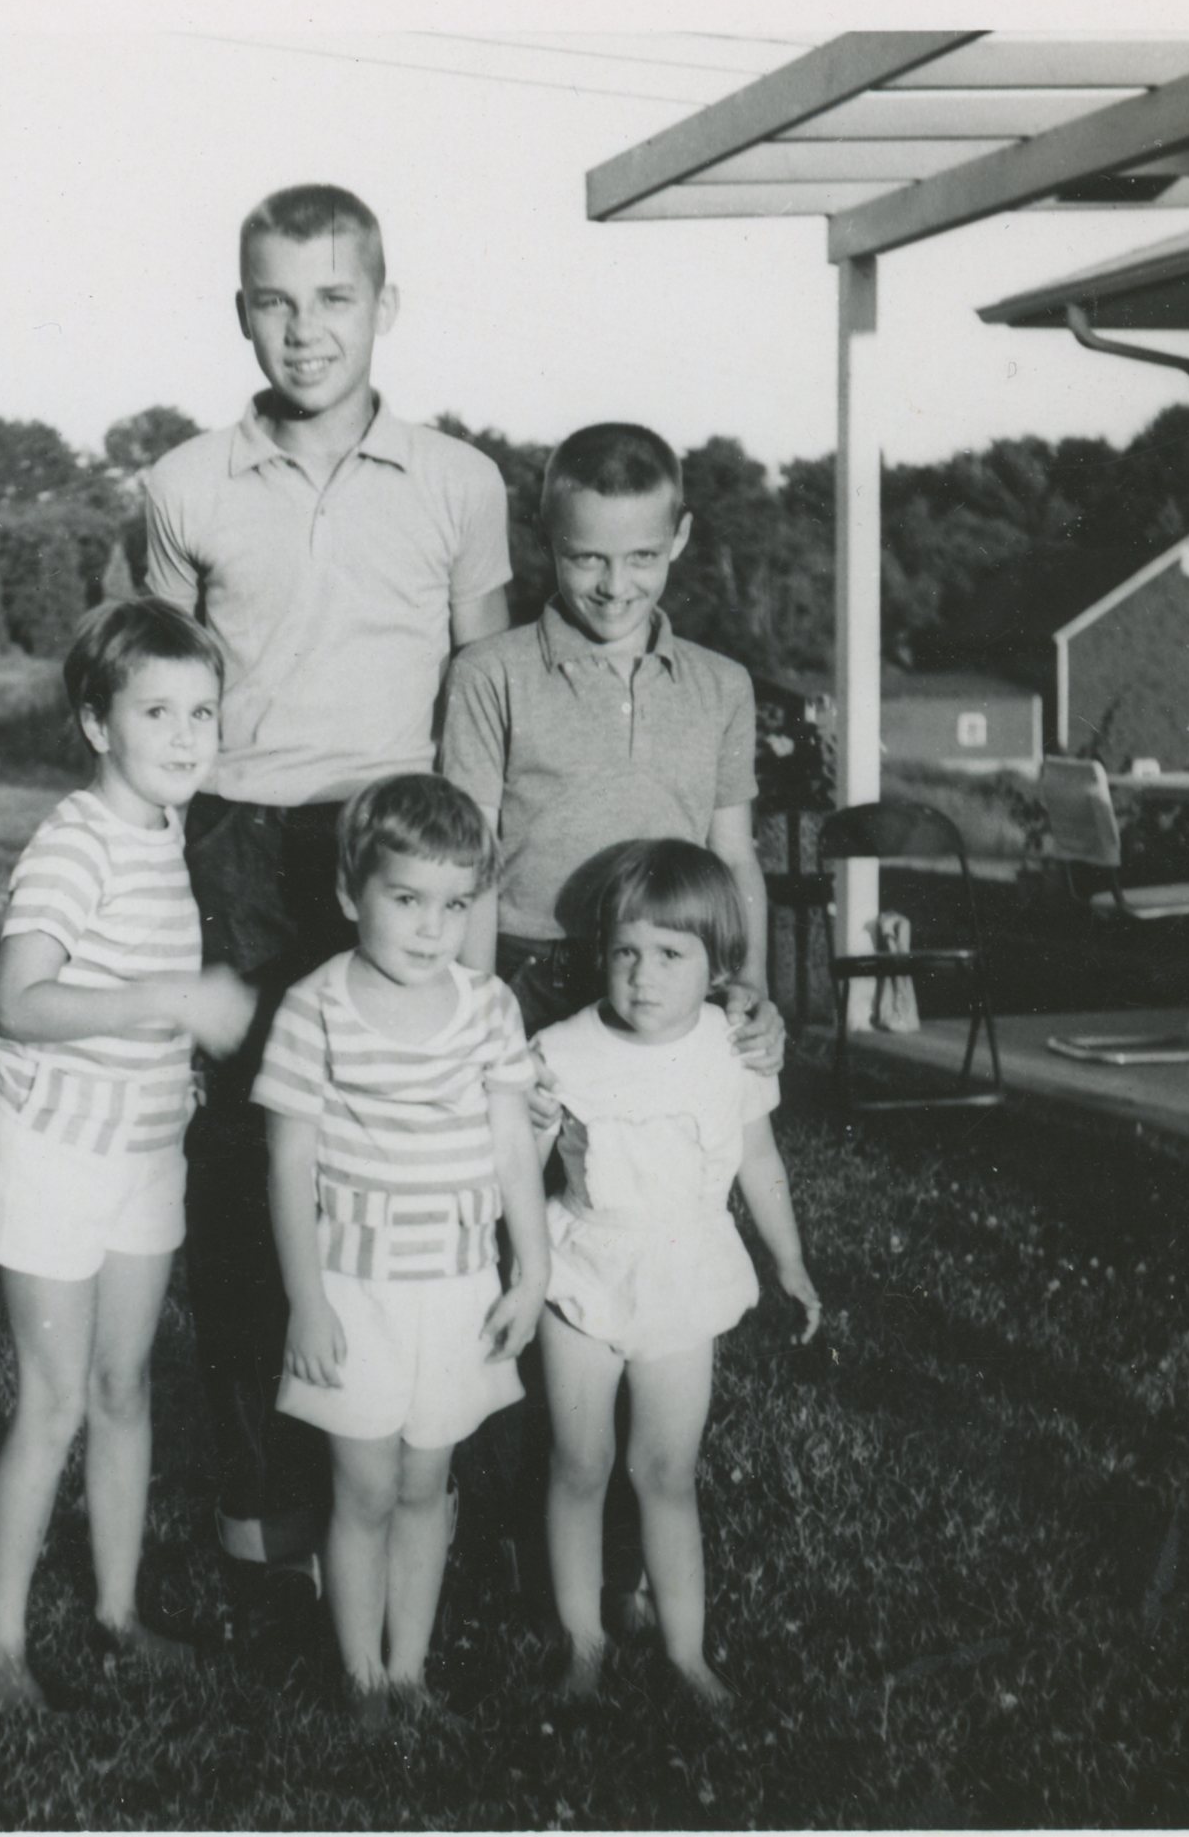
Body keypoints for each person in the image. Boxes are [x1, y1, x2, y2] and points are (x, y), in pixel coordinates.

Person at [143, 184, 513, 1573]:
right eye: (274, 301)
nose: (304, 331)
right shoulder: (181, 484)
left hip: (397, 840)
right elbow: (156, 711)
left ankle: (422, 1500)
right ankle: (259, 1518)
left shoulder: (461, 482)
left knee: (412, 1163)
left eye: (333, 298)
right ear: (241, 308)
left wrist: (464, 898)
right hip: (237, 841)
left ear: (384, 305)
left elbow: (482, 701)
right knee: (248, 1177)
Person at [438, 420, 785, 1621]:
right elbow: (472, 864)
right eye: (588, 558)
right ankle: (524, 1546)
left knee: (659, 1250)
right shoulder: (490, 677)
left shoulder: (723, 687)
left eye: (641, 558)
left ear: (680, 539)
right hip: (535, 980)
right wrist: (476, 1018)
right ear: (549, 545)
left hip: (669, 993)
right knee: (531, 1262)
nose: (613, 583)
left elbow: (735, 856)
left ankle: (637, 1562)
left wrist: (750, 988)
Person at [0, 599, 256, 1712]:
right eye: (157, 712)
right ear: (97, 725)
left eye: (204, 712)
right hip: (52, 1157)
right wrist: (168, 999)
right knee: (54, 1402)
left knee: (126, 1386)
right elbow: (19, 1000)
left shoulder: (166, 833)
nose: (188, 736)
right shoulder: (72, 845)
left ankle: (117, 1613)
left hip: (144, 1151)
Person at [253, 776, 548, 1725]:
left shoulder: (489, 1007)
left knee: (428, 1483)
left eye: (455, 905)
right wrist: (307, 1300)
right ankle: (360, 1675)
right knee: (365, 1487)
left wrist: (530, 1270)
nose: (431, 929)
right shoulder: (315, 1008)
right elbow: (288, 1161)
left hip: (457, 1287)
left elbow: (511, 1147)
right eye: (405, 899)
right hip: (354, 1288)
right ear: (351, 895)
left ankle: (409, 1669)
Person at [533, 840, 820, 1708]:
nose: (643, 977)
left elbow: (758, 1161)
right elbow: (515, 1171)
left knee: (665, 1471)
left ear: (718, 966)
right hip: (581, 1269)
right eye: (625, 952)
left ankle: (686, 1652)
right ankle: (580, 1643)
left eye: (670, 955)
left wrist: (791, 1263)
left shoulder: (729, 1051)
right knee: (578, 1463)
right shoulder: (560, 1048)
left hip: (683, 1272)